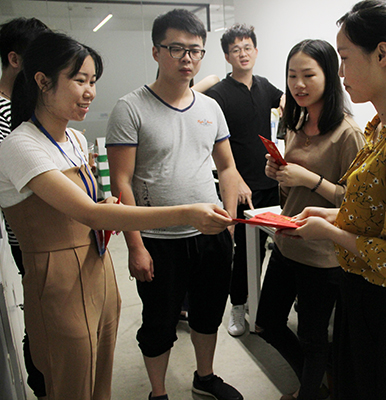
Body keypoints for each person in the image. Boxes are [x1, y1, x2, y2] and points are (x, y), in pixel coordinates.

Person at [0, 30, 235, 400]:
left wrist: (108, 204)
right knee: (70, 379)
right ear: (43, 82)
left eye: (93, 81)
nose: (90, 92)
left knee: (101, 376)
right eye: (79, 80)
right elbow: (91, 214)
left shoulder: (74, 140)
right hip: (57, 277)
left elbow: (95, 204)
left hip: (97, 266)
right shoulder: (21, 146)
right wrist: (187, 213)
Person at [283, 1, 386, 399]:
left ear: (381, 54)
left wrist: (329, 232)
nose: (340, 74)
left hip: (385, 310)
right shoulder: (382, 126)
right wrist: (332, 215)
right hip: (358, 294)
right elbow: (375, 213)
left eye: (344, 58)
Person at [105, 9, 243, 400]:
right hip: (158, 241)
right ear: (156, 51)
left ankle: (205, 377)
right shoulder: (130, 108)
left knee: (208, 313)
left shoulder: (210, 108)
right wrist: (135, 246)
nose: (187, 58)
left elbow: (227, 167)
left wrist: (229, 221)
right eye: (176, 49)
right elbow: (121, 182)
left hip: (210, 235)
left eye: (195, 50)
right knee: (159, 322)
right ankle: (159, 392)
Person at [255, 39, 365, 400]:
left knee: (313, 337)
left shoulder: (348, 133)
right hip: (286, 242)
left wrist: (309, 179)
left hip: (321, 255)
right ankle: (318, 381)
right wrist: (279, 173)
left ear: (329, 76)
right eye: (292, 76)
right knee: (267, 324)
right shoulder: (297, 122)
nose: (298, 85)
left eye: (308, 75)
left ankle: (309, 392)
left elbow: (355, 202)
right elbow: (291, 190)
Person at [205, 23, 284, 337]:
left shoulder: (264, 87)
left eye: (247, 47)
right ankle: (237, 305)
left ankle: (256, 299)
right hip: (240, 187)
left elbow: (284, 100)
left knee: (268, 249)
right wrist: (235, 180)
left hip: (270, 183)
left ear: (255, 50)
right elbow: (214, 144)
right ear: (227, 56)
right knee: (243, 252)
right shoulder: (219, 94)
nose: (243, 54)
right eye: (235, 50)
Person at [0, 16, 50, 399]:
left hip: (43, 230)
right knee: (39, 314)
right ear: (15, 59)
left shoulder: (28, 109)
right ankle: (43, 384)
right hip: (24, 234)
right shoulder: (6, 116)